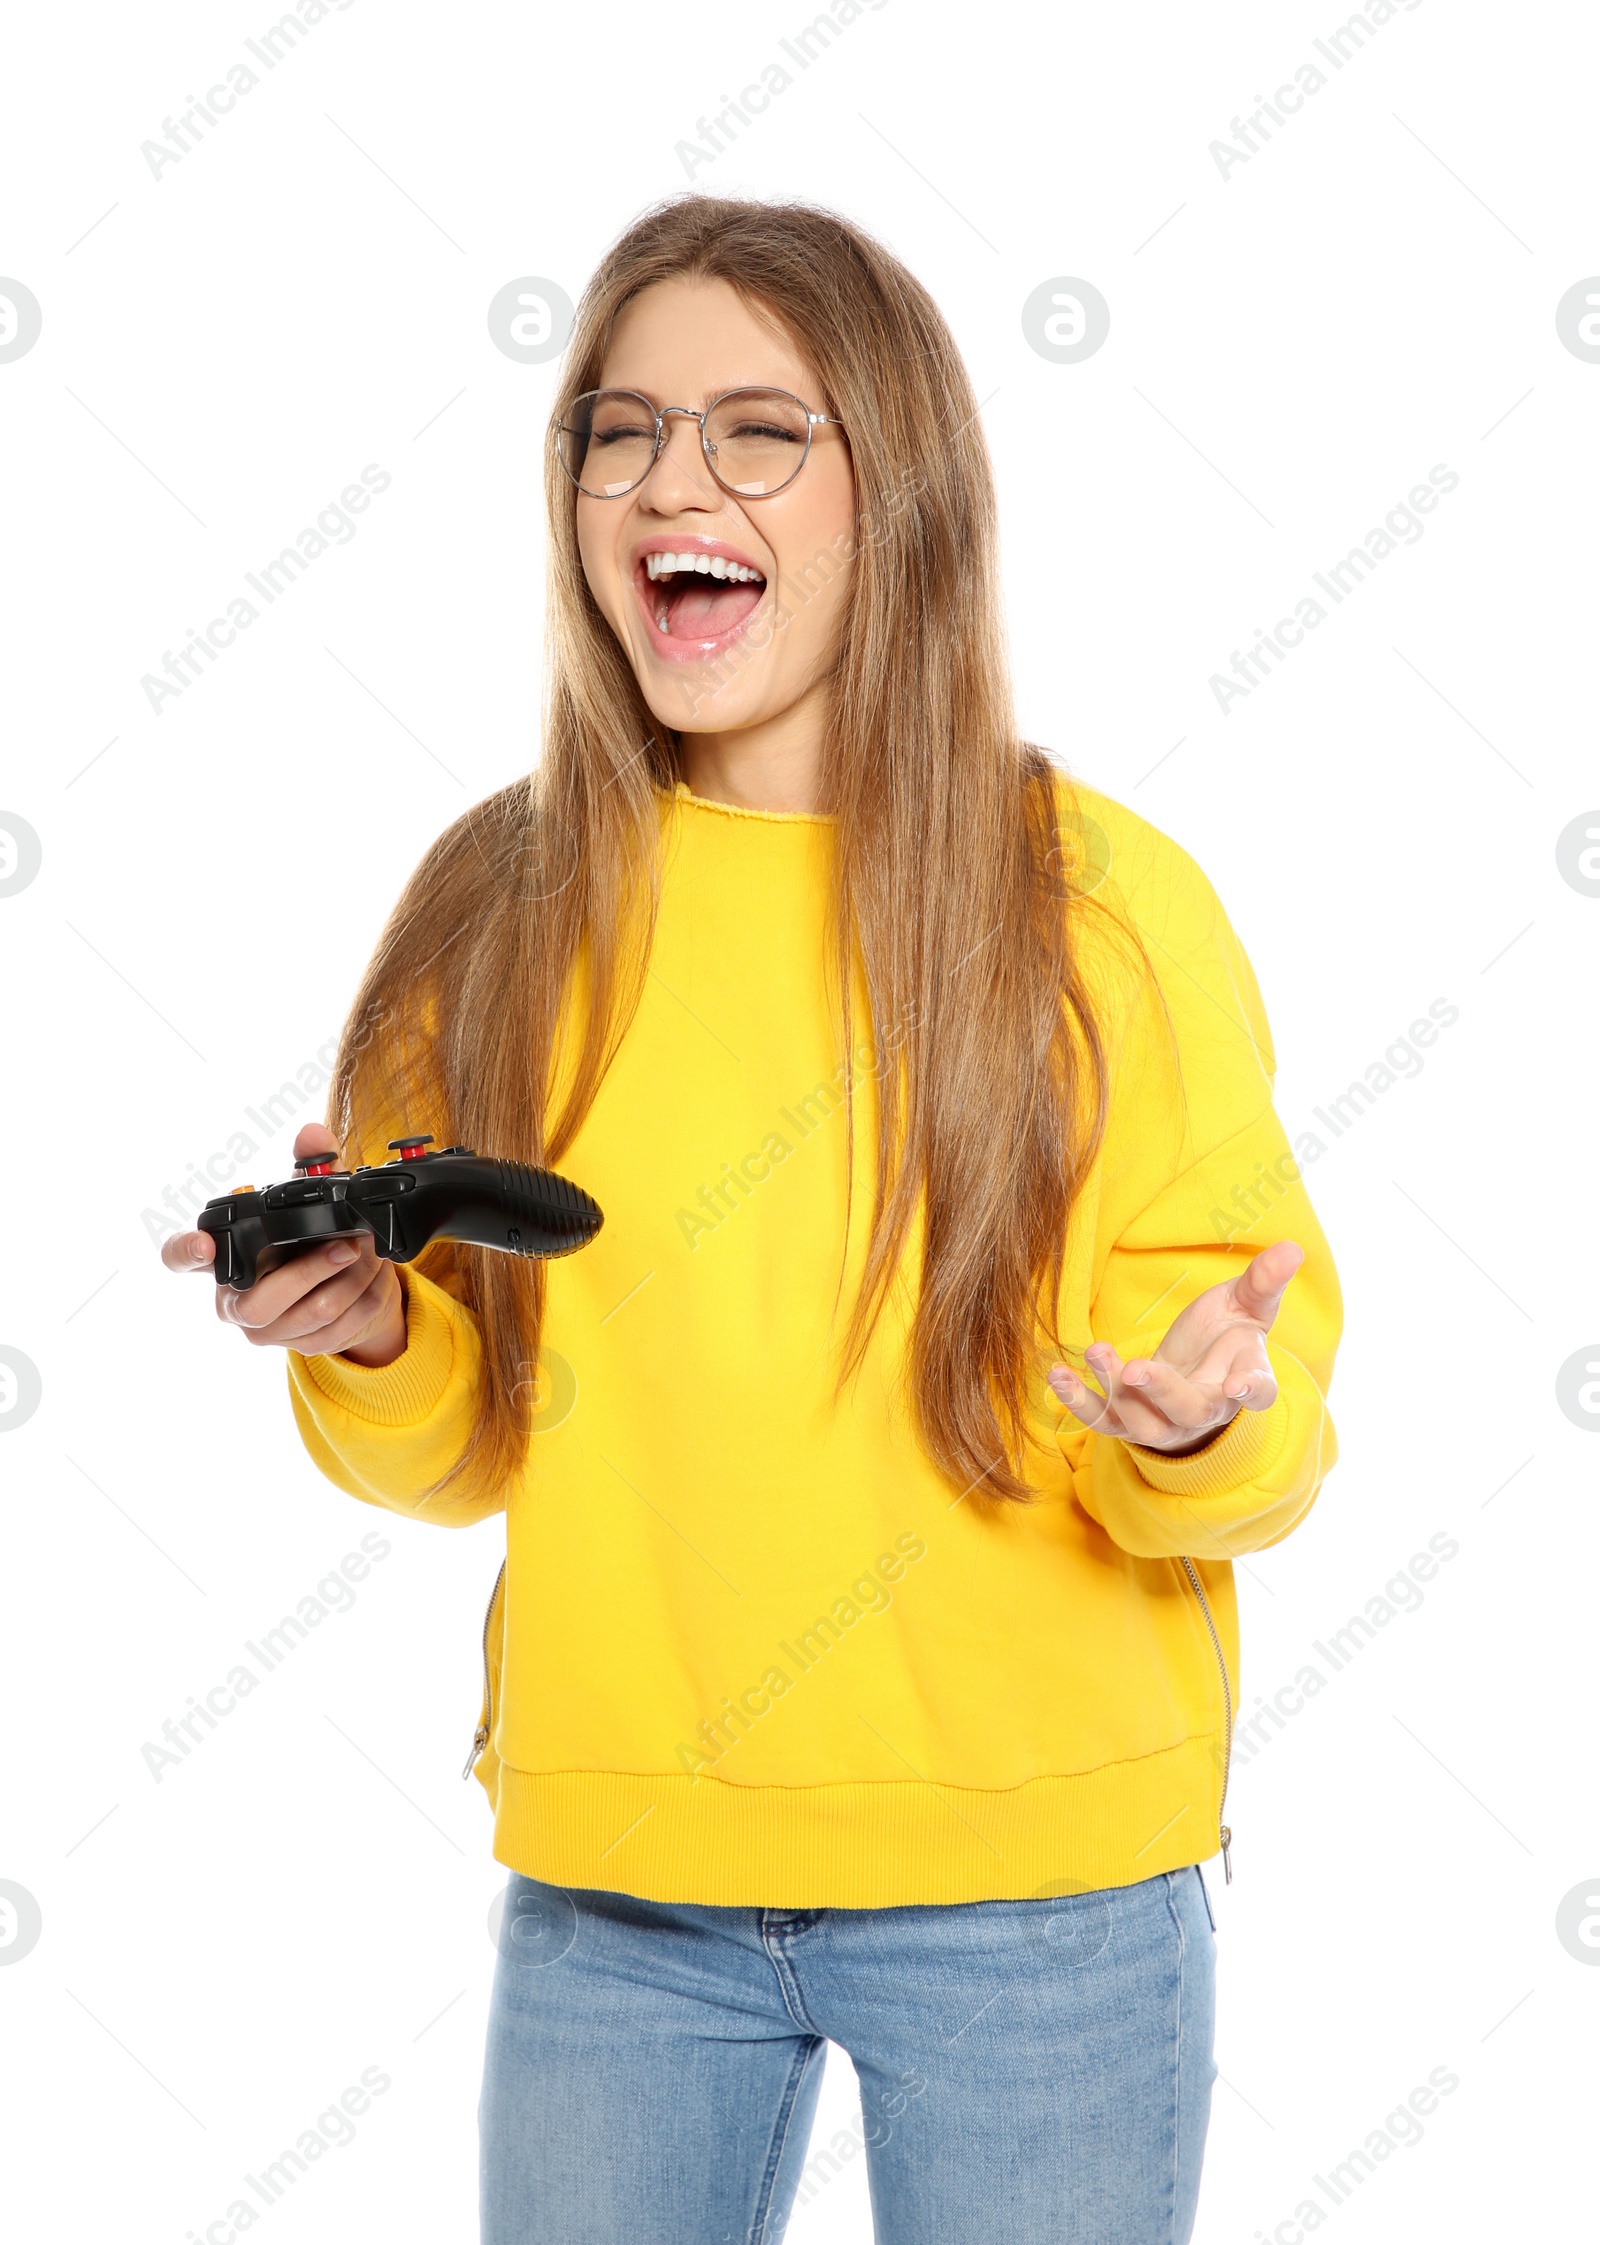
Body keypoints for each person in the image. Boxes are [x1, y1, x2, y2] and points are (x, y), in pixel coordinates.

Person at [164, 195, 1342, 2245]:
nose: (665, 481)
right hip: (620, 1888)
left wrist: (1194, 1424)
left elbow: (1251, 1411)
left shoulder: (1095, 904)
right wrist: (366, 1336)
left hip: (1034, 1892)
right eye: (615, 433)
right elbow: (463, 1445)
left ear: (900, 493)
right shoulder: (503, 901)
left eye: (752, 433)